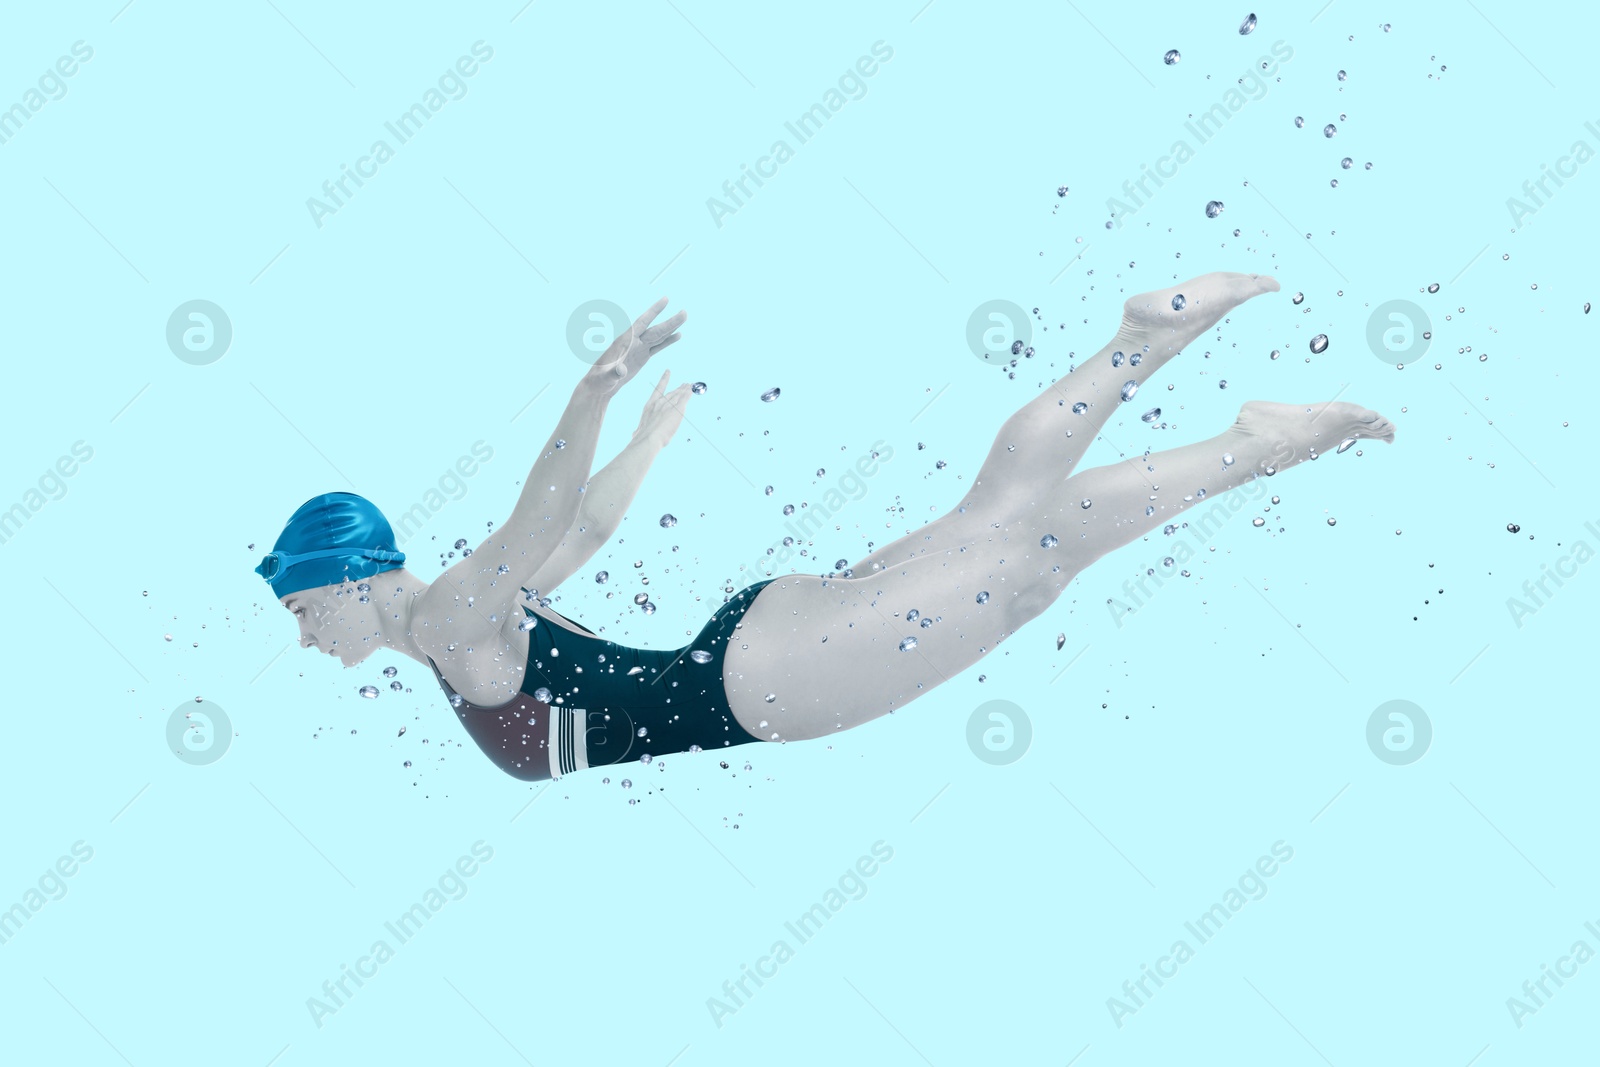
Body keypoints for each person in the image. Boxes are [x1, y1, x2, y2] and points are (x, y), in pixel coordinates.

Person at [254, 276, 1395, 781]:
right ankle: (1152, 348)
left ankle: (1250, 427)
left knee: (1024, 559)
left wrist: (595, 393)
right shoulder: (463, 622)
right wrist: (649, 438)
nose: (307, 638)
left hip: (764, 685)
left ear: (357, 576)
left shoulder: (452, 616)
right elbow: (578, 537)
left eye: (305, 609)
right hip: (751, 643)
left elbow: (534, 516)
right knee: (1003, 528)